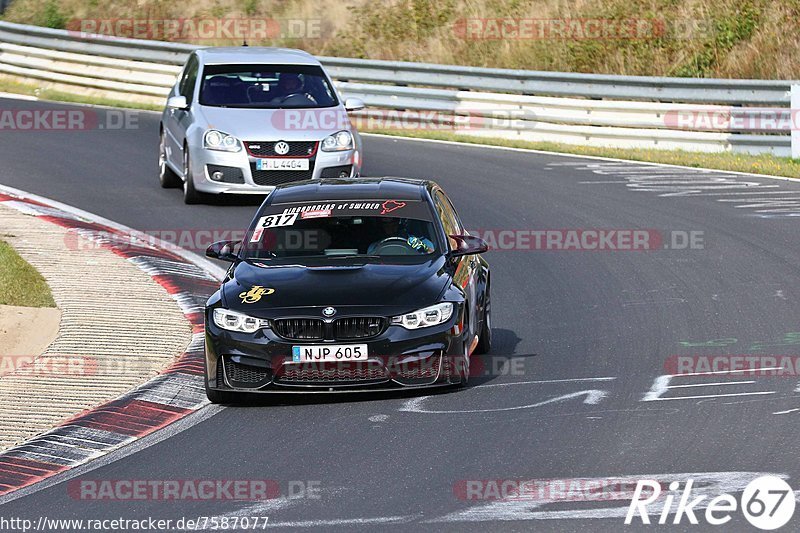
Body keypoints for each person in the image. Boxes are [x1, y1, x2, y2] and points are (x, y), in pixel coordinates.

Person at [367, 218, 435, 255]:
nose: (390, 228)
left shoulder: (422, 242)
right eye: (386, 225)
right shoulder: (374, 247)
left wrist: (424, 248)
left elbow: (434, 259)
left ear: (399, 223)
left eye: (393, 224)